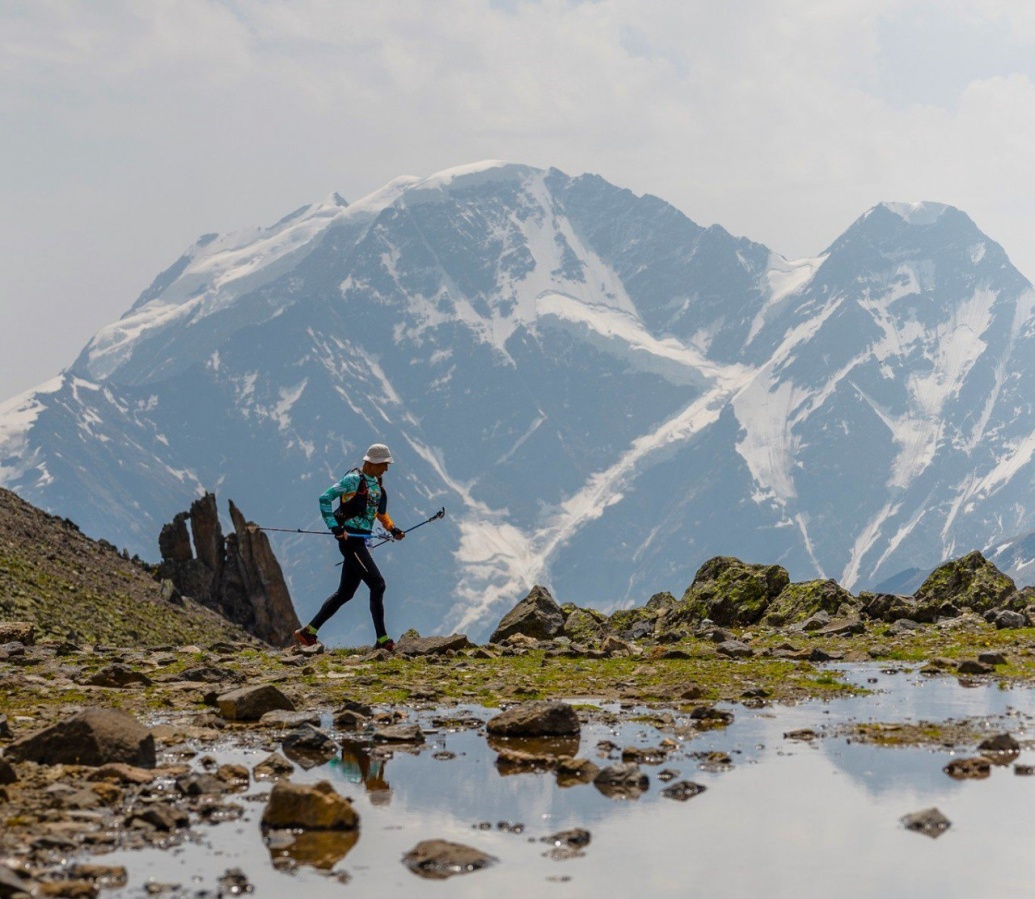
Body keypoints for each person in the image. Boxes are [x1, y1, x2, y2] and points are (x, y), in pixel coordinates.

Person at [294, 443, 404, 650]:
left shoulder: (377, 485)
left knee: (345, 593)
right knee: (378, 584)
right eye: (384, 464)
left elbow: (380, 514)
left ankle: (308, 632)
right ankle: (382, 641)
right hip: (350, 541)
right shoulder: (353, 480)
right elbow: (325, 498)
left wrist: (392, 528)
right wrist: (334, 527)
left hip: (362, 541)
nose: (386, 469)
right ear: (372, 462)